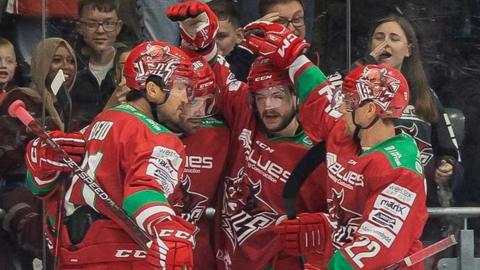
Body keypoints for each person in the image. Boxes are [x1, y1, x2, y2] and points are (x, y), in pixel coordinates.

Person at [242, 20, 428, 269]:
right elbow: (320, 98)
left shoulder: (400, 170)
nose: (341, 107)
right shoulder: (345, 130)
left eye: (350, 101)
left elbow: (377, 247)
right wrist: (294, 57)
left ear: (370, 110)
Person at [166, 2, 328, 269]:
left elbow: (353, 216)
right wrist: (199, 38)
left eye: (278, 95)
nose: (268, 107)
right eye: (260, 96)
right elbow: (215, 77)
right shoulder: (246, 110)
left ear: (297, 95)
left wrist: (328, 226)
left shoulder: (321, 152)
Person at [24, 41, 197, 269]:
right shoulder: (156, 136)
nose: (186, 98)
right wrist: (165, 226)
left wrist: (39, 165)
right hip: (121, 258)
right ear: (153, 89)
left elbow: (40, 187)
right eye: (180, 87)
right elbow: (143, 192)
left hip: (70, 257)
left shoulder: (96, 124)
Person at [0, 37, 77, 269]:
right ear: (41, 64)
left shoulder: (67, 103)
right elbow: (6, 157)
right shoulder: (21, 100)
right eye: (56, 60)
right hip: (21, 189)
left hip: (61, 193)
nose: (65, 67)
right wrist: (34, 132)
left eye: (70, 61)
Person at [168, 55, 230, 270]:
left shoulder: (221, 134)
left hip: (198, 256)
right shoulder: (138, 131)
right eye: (193, 101)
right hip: (144, 250)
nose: (200, 113)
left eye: (207, 102)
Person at [71, 0, 124, 126]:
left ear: (118, 27)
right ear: (79, 27)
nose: (100, 30)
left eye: (109, 23)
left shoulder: (128, 65)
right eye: (91, 24)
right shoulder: (71, 69)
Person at [208, 0, 254, 82]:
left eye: (221, 36)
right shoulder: (185, 59)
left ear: (239, 36)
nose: (212, 44)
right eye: (206, 36)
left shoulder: (249, 60)